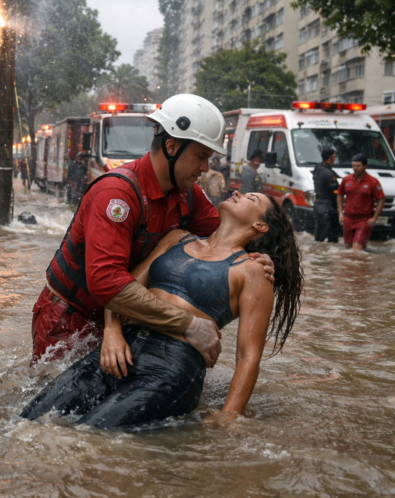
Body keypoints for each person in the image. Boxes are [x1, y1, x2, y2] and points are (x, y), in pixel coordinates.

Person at [22, 191, 302, 429]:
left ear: (260, 226)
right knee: (30, 420)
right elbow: (121, 288)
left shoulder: (254, 272)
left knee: (91, 434)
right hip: (119, 349)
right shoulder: (178, 238)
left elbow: (248, 357)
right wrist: (112, 331)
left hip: (172, 368)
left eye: (251, 197)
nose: (238, 192)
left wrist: (229, 415)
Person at [30, 94, 275, 367]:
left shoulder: (187, 194)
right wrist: (188, 324)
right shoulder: (117, 195)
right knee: (50, 400)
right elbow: (106, 281)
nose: (205, 169)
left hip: (124, 316)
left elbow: (225, 235)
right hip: (70, 317)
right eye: (201, 157)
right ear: (171, 146)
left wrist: (259, 255)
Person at [336, 154, 385, 251]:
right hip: (348, 219)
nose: (355, 168)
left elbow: (381, 199)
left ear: (365, 166)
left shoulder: (373, 182)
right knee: (348, 249)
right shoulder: (346, 180)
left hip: (364, 220)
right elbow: (340, 194)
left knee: (356, 249)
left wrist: (374, 218)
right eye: (353, 165)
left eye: (358, 166)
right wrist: (341, 213)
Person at [313, 148, 340, 243]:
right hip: (328, 209)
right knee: (332, 240)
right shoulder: (329, 174)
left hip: (318, 206)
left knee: (319, 237)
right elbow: (336, 192)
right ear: (332, 157)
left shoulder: (318, 168)